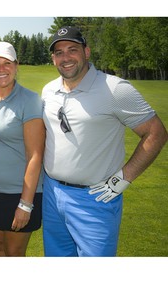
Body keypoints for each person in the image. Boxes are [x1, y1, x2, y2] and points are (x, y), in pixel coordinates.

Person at [41, 26, 168, 257]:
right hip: (51, 194)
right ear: (53, 58)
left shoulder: (115, 89)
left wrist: (124, 177)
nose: (65, 57)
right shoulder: (49, 90)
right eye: (58, 52)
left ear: (87, 52)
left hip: (95, 199)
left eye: (72, 49)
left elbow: (156, 132)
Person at [0, 42, 45, 257]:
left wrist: (25, 204)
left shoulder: (30, 100)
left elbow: (35, 155)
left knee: (14, 253)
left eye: (6, 63)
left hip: (19, 193)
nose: (1, 69)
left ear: (16, 65)